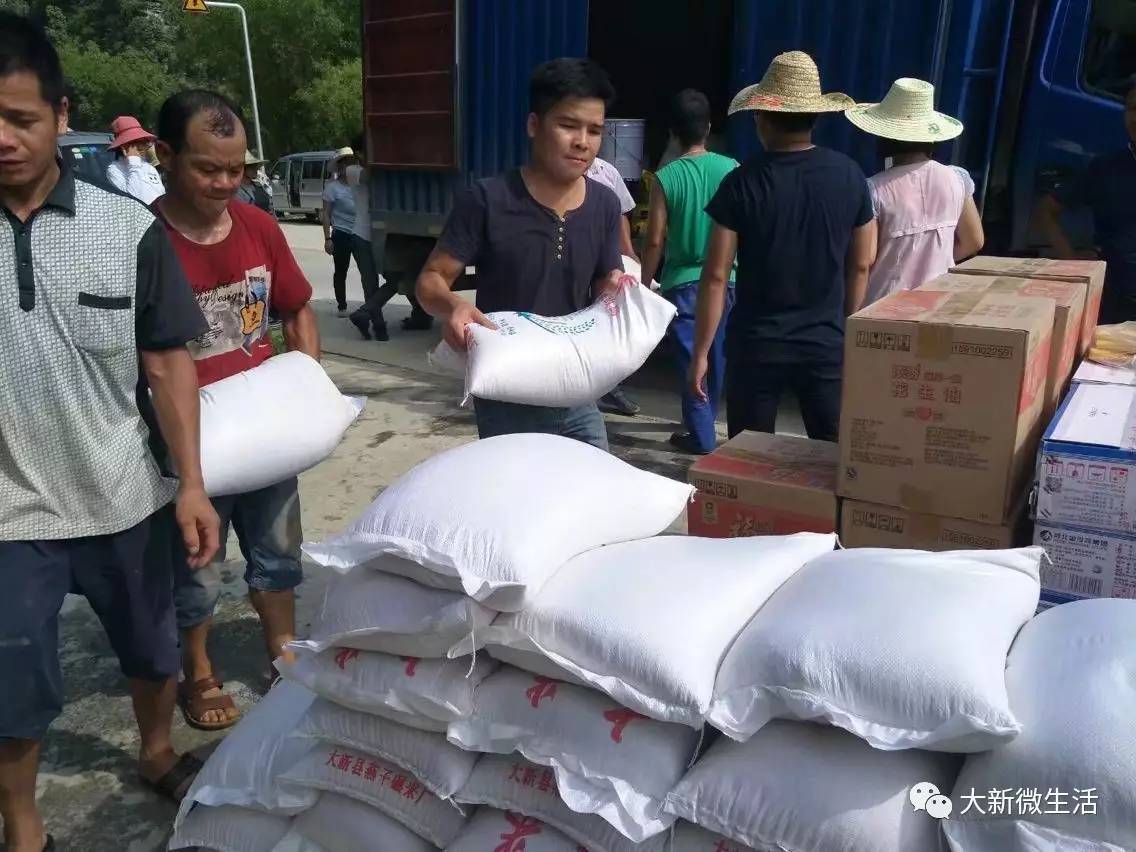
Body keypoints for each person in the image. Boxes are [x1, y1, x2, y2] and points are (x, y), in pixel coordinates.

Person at [0, 15, 221, 851]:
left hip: (124, 492)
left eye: (20, 118)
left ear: (60, 115)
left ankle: (156, 751)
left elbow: (169, 366)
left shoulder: (126, 229)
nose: (4, 139)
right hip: (11, 511)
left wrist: (192, 484)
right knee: (11, 672)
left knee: (151, 647)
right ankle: (22, 823)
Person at [153, 90, 320, 729]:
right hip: (191, 439)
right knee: (197, 563)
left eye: (237, 169)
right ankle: (197, 670)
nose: (226, 183)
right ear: (166, 157)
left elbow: (297, 309)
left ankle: (282, 648)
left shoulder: (259, 226)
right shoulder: (146, 239)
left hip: (266, 431)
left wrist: (308, 390)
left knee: (279, 547)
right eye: (207, 169)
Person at [415, 57, 627, 451]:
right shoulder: (488, 199)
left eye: (595, 130)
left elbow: (605, 276)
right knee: (519, 503)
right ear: (534, 125)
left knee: (589, 496)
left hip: (578, 388)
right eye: (568, 125)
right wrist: (452, 307)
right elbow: (431, 280)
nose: (583, 141)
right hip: (509, 392)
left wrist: (615, 287)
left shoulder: (605, 204)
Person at [689, 51, 876, 443]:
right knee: (831, 460)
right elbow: (861, 266)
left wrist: (702, 351)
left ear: (762, 117)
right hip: (825, 344)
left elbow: (717, 276)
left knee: (751, 459)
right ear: (814, 117)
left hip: (757, 346)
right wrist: (846, 331)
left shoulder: (742, 183)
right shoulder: (851, 176)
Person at [641, 89, 738, 454]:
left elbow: (654, 240)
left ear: (673, 133)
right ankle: (702, 427)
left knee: (690, 362)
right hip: (727, 279)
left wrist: (645, 281)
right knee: (715, 357)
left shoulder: (666, 178)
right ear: (709, 128)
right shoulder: (731, 169)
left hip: (682, 284)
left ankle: (702, 439)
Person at [845, 78, 984, 307]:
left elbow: (864, 261)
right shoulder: (957, 178)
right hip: (937, 302)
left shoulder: (874, 188)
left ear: (886, 136)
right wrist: (931, 266)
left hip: (883, 307)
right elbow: (974, 241)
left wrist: (850, 315)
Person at [1039, 83, 1136, 323]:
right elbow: (1046, 210)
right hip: (1113, 301)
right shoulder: (1105, 168)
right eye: (1134, 108)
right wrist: (1071, 265)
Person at [586, 154, 641, 416]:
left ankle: (609, 389)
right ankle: (584, 390)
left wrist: (628, 254)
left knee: (606, 325)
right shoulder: (554, 175)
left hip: (604, 264)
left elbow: (621, 217)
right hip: (571, 264)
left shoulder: (607, 173)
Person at [344, 134, 390, 341]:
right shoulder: (352, 171)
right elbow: (371, 175)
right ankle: (378, 326)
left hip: (381, 234)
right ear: (359, 153)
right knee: (370, 284)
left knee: (396, 278)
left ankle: (364, 313)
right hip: (361, 235)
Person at [321, 146, 357, 317]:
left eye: (352, 164)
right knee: (341, 270)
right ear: (340, 168)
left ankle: (371, 306)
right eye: (346, 165)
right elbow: (326, 214)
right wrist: (328, 238)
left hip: (359, 233)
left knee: (368, 271)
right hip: (341, 234)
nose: (349, 168)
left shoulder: (360, 185)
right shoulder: (332, 188)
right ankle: (341, 305)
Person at [104, 114, 165, 205]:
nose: (146, 147)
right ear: (125, 147)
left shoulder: (148, 167)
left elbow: (160, 194)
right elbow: (137, 198)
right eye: (140, 144)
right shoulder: (114, 170)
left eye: (146, 142)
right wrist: (133, 162)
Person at [236, 149, 273, 215]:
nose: (256, 169)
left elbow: (270, 209)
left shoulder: (258, 186)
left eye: (256, 166)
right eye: (252, 167)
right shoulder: (237, 191)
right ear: (243, 169)